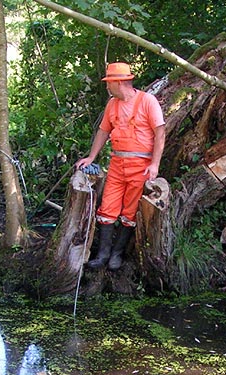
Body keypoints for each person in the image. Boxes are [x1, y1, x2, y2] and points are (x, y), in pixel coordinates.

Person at [76, 62, 165, 270]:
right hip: (117, 163)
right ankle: (102, 255)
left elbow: (160, 132)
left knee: (130, 212)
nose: (107, 87)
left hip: (140, 165)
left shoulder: (147, 101)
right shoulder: (112, 104)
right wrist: (91, 157)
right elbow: (103, 131)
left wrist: (155, 164)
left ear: (119, 82)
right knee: (107, 209)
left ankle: (117, 255)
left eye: (109, 83)